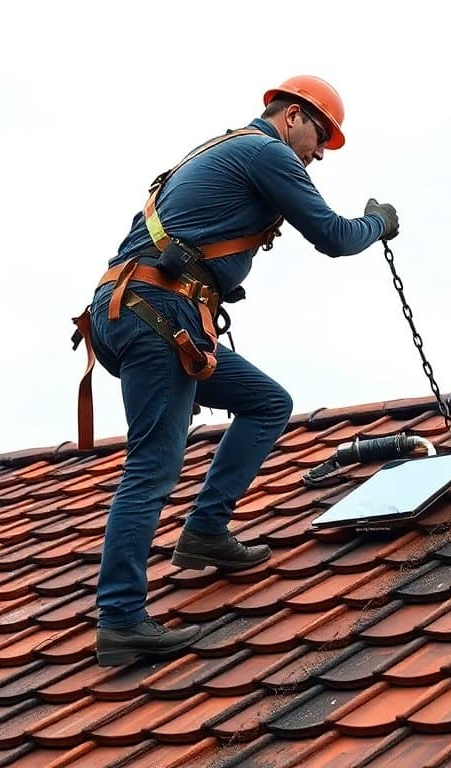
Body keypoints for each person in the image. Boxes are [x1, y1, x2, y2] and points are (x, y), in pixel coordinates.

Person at [83, 75, 400, 667]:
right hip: (160, 312)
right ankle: (120, 619)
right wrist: (379, 222)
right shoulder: (267, 153)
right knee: (152, 465)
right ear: (292, 116)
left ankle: (206, 531)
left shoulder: (221, 150)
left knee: (266, 403)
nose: (319, 155)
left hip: (141, 311)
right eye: (320, 138)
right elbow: (334, 236)